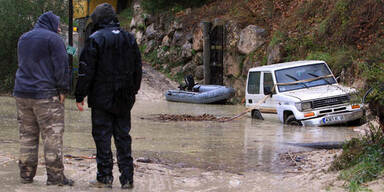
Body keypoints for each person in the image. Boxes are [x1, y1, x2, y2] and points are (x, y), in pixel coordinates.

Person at [75, 3, 142, 189]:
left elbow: (85, 71)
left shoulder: (95, 39)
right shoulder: (129, 38)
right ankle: (127, 178)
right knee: (123, 137)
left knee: (102, 138)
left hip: (101, 99)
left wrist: (80, 95)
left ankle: (104, 177)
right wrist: (133, 91)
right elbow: (138, 68)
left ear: (98, 20)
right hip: (124, 98)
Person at [13, 11, 73, 186]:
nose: (60, 28)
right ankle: (55, 178)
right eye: (58, 24)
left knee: (27, 136)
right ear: (51, 23)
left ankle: (26, 175)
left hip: (22, 93)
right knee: (52, 135)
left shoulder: (23, 38)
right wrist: (63, 89)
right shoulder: (54, 39)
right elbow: (61, 66)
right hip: (46, 95)